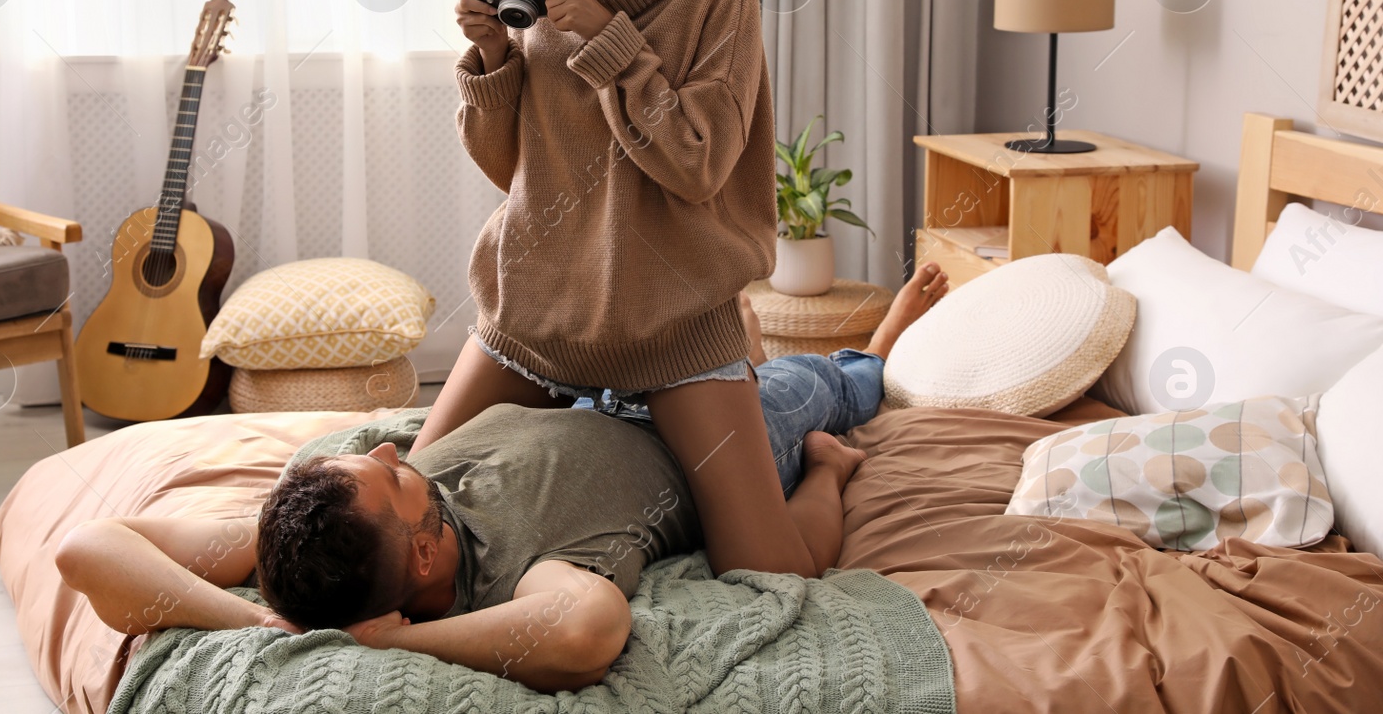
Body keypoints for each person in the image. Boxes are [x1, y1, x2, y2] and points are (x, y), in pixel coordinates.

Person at [54, 268, 948, 694]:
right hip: (688, 441)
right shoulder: (515, 581)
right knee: (818, 398)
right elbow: (592, 628)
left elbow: (87, 550)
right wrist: (391, 646)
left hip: (582, 383)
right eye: (392, 485)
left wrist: (255, 616)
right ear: (428, 555)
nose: (388, 452)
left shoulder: (305, 543)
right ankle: (868, 367)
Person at [414, 0, 856, 580]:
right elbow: (513, 171)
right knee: (411, 497)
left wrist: (609, 41)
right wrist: (492, 60)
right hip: (537, 318)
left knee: (771, 570)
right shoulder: (541, 6)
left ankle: (825, 463)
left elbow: (699, 164)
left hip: (674, 331)